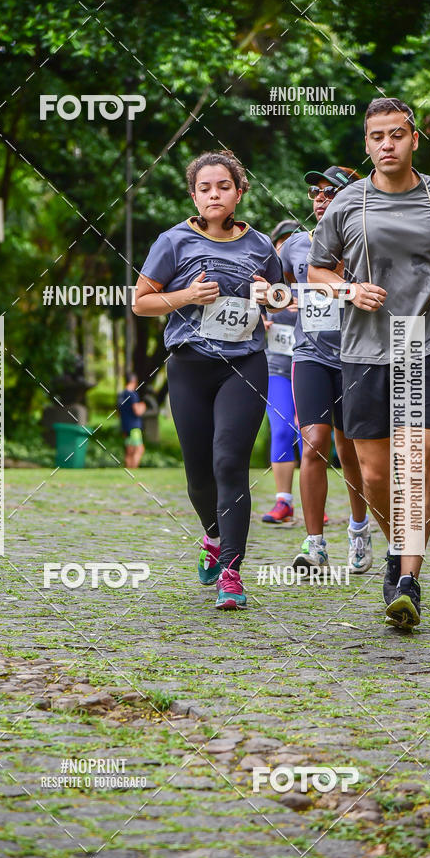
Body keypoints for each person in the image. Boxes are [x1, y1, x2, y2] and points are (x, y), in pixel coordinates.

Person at [307, 97, 430, 630]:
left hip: (422, 343)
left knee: (413, 467)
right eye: (377, 136)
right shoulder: (348, 204)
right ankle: (394, 549)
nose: (387, 144)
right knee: (375, 474)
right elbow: (318, 271)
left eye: (397, 134)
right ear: (366, 144)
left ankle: (407, 579)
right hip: (362, 350)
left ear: (414, 140)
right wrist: (349, 289)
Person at [133, 149, 282, 610]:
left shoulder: (260, 245)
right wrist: (188, 295)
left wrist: (269, 294)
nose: (214, 194)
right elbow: (141, 302)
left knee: (229, 462)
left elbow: (279, 301)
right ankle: (214, 537)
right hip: (190, 365)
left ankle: (232, 573)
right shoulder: (173, 241)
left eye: (223, 186)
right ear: (193, 195)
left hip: (245, 363)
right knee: (199, 473)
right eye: (204, 188)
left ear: (239, 192)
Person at [278, 165, 373, 575]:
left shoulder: (367, 244)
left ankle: (359, 527)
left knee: (350, 449)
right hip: (311, 354)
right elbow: (280, 286)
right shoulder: (295, 245)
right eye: (315, 192)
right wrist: (284, 302)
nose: (319, 197)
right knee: (313, 441)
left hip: (356, 356)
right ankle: (314, 544)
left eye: (329, 191)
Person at [262, 220, 302, 524]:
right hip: (275, 367)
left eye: (293, 241)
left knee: (310, 436)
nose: (287, 247)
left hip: (309, 366)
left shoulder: (315, 279)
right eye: (282, 241)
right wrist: (258, 322)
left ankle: (316, 500)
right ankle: (283, 501)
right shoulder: (263, 284)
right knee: (282, 430)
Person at [117, 373, 146, 469]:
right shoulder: (133, 394)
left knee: (129, 451)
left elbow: (119, 412)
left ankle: (128, 472)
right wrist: (143, 406)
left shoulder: (121, 395)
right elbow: (137, 411)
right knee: (139, 449)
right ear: (134, 381)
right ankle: (134, 470)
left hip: (125, 427)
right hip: (134, 427)